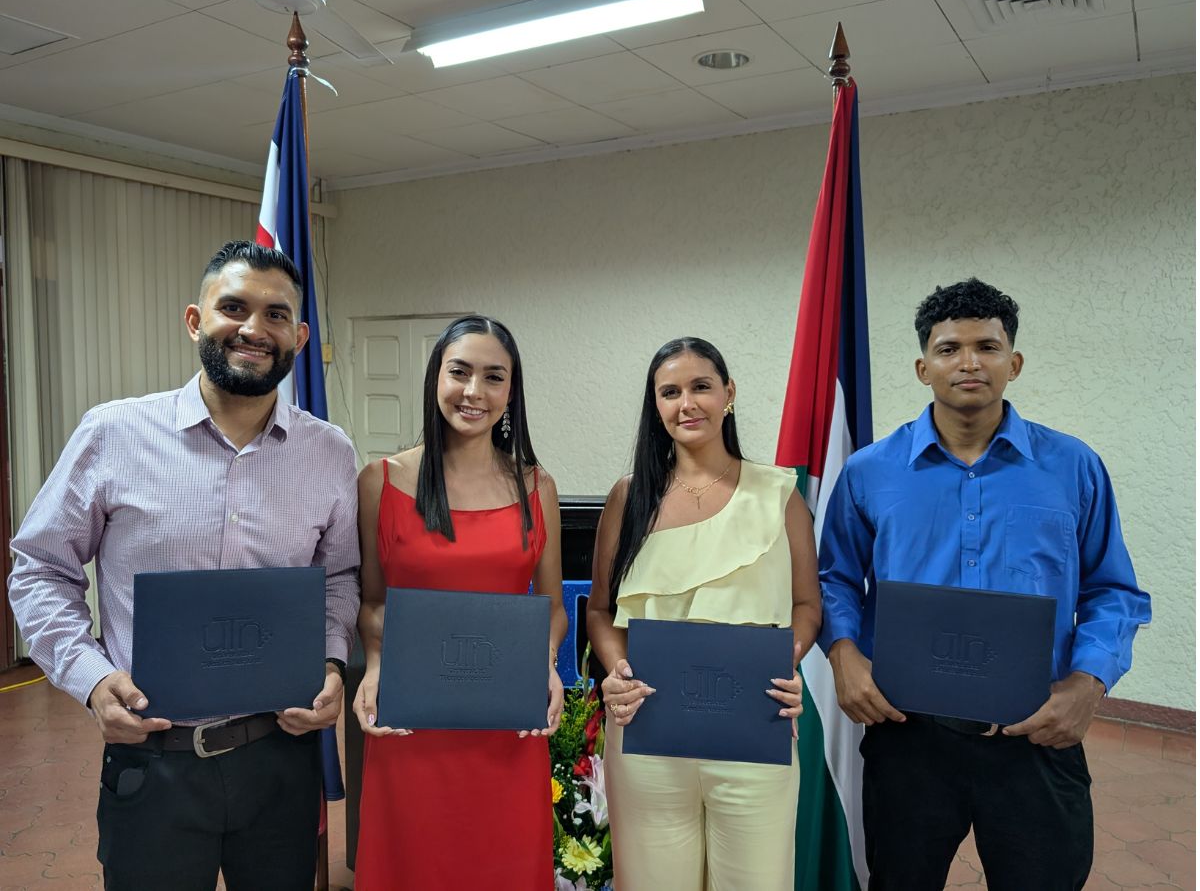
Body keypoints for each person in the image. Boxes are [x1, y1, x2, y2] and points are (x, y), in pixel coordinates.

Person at [7, 240, 360, 890]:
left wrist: (332, 662)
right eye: (234, 308)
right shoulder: (112, 434)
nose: (254, 329)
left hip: (279, 761)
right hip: (153, 761)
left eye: (276, 315)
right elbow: (39, 568)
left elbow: (338, 576)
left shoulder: (330, 453)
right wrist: (91, 678)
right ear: (196, 321)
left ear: (300, 337)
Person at [819, 278, 1152, 891]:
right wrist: (843, 654)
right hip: (908, 734)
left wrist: (1088, 683)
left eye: (987, 347)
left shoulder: (1073, 466)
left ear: (1013, 363)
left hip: (1037, 731)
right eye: (949, 349)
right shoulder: (869, 472)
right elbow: (834, 577)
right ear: (923, 368)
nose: (969, 363)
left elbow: (1113, 591)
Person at [586, 337, 821, 890]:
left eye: (700, 387)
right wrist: (618, 671)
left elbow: (807, 605)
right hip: (645, 728)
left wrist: (784, 659)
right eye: (670, 392)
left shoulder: (778, 493)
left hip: (754, 722)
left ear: (728, 393)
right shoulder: (629, 497)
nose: (686, 404)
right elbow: (599, 610)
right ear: (656, 406)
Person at [352, 315, 567, 890]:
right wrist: (375, 664)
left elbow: (551, 607)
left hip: (506, 725)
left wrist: (546, 663)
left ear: (511, 392)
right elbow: (372, 603)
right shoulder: (380, 481)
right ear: (436, 379)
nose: (474, 391)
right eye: (460, 372)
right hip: (411, 723)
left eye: (494, 377)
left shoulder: (536, 486)